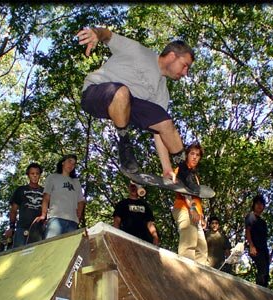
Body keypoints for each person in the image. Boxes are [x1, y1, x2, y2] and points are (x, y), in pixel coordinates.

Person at [77, 27, 200, 194]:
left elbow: (159, 132)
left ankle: (184, 170)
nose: (185, 73)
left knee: (165, 121)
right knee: (122, 92)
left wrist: (167, 168)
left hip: (126, 105)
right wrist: (95, 33)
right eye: (185, 66)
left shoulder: (162, 91)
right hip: (95, 93)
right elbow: (108, 35)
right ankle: (124, 146)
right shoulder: (137, 50)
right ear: (172, 56)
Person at [35, 154, 86, 239]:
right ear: (63, 162)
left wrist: (79, 215)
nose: (71, 165)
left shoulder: (76, 182)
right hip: (56, 218)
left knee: (69, 250)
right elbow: (46, 197)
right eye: (69, 161)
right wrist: (43, 215)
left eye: (74, 164)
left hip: (72, 222)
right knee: (51, 247)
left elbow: (80, 200)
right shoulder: (53, 177)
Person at [172, 142, 207, 264]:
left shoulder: (194, 176)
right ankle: (185, 275)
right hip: (184, 208)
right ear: (186, 155)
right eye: (192, 153)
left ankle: (199, 280)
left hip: (195, 214)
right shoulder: (181, 169)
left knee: (202, 250)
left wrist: (201, 216)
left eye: (197, 155)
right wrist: (192, 209)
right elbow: (181, 190)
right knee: (189, 246)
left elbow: (197, 199)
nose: (194, 157)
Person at [4, 163, 44, 248]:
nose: (35, 176)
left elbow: (49, 210)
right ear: (28, 175)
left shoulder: (44, 192)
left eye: (37, 173)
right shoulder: (21, 190)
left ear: (40, 175)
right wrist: (11, 227)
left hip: (38, 230)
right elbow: (14, 210)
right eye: (32, 173)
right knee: (18, 254)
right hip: (22, 228)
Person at [113, 181, 160, 245]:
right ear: (128, 188)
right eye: (132, 186)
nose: (133, 188)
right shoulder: (122, 204)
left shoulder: (145, 205)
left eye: (136, 186)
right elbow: (117, 220)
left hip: (145, 240)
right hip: (127, 238)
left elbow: (150, 223)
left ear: (139, 189)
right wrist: (115, 235)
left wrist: (155, 237)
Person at [245, 194, 270, 287]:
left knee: (266, 273)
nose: (259, 206)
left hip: (264, 250)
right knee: (262, 270)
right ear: (254, 205)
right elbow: (248, 231)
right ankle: (259, 291)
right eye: (257, 203)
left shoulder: (263, 222)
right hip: (255, 248)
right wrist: (251, 246)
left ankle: (264, 291)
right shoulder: (251, 216)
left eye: (261, 204)